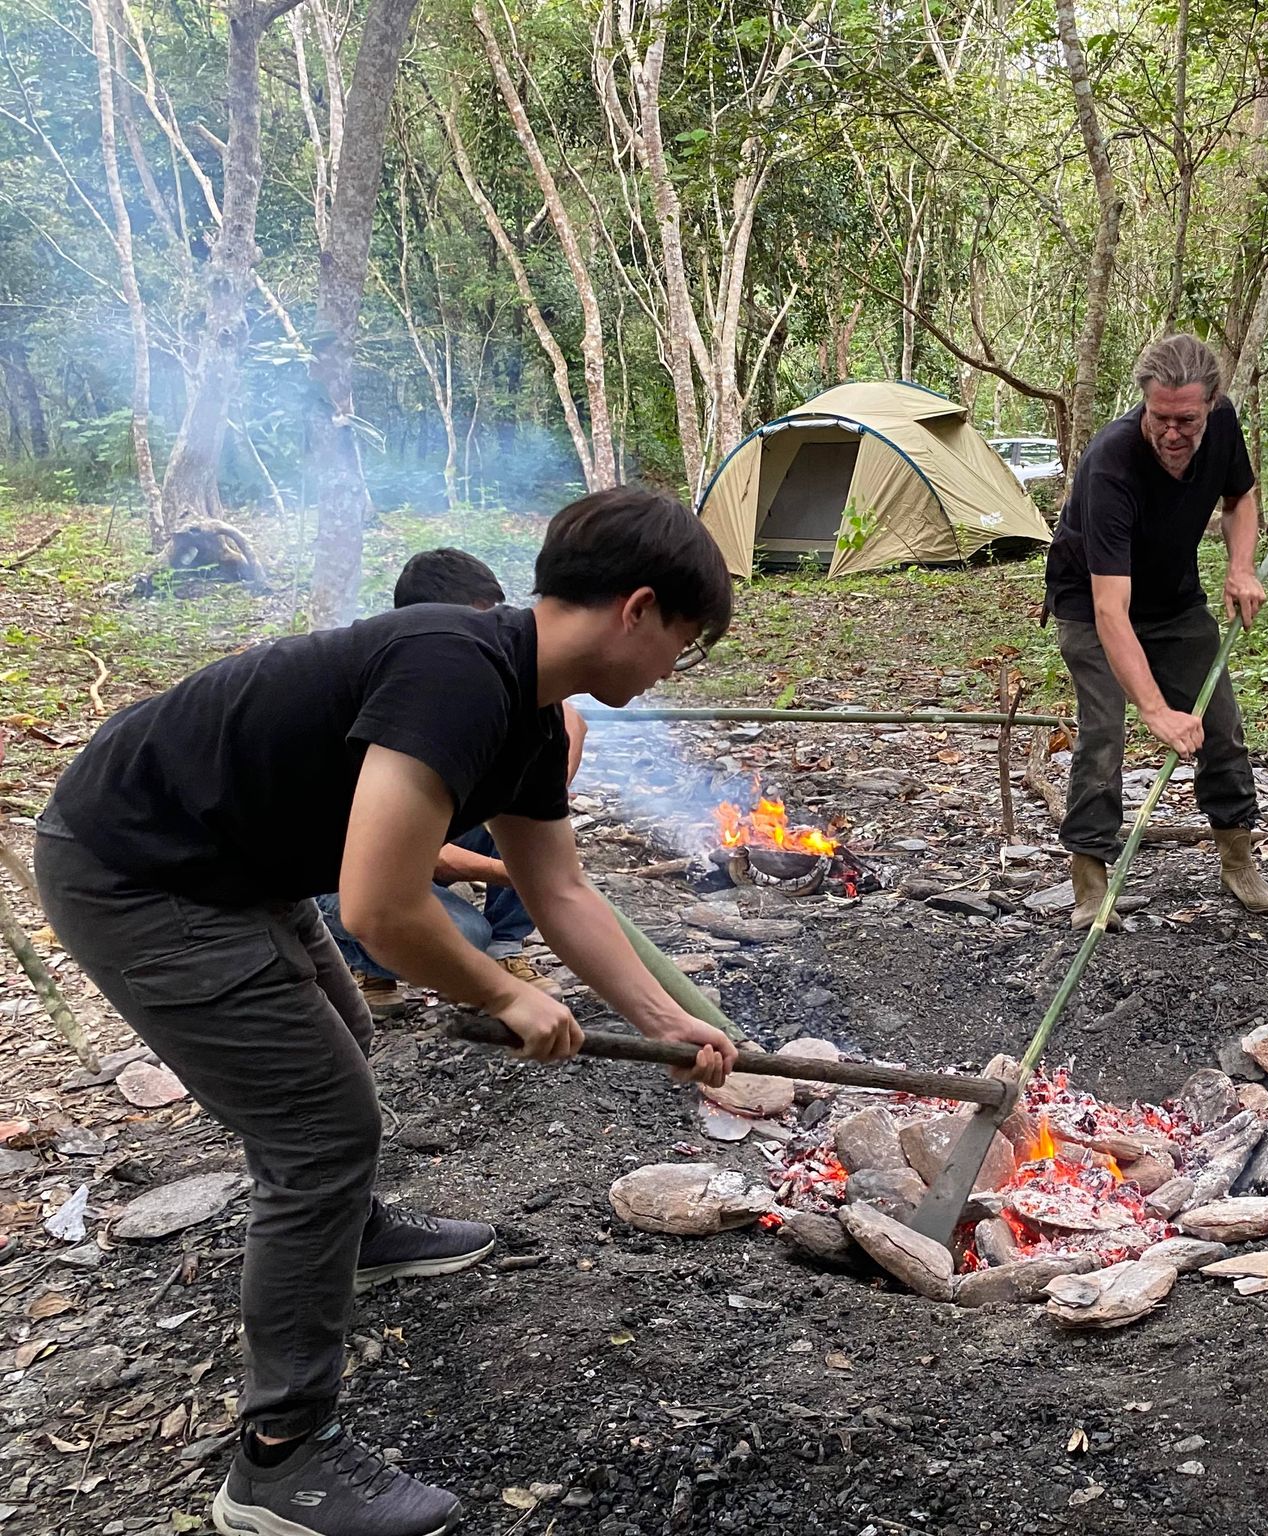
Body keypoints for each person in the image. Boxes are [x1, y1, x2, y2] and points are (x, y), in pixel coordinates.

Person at [34, 488, 740, 1536]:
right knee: (318, 1128)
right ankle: (279, 1460)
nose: (674, 667)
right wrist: (505, 991)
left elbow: (561, 891)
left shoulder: (530, 712)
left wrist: (662, 1016)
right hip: (138, 870)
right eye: (683, 640)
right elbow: (377, 906)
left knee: (343, 1046)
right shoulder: (456, 670)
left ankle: (346, 1233)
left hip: (235, 863)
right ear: (637, 608)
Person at [1042, 332, 1268, 928]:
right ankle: (1091, 883)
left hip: (1174, 599)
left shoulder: (1223, 424)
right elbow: (1109, 612)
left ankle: (1236, 857)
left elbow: (1241, 496)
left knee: (1221, 725)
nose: (1173, 433)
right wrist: (1153, 709)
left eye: (1187, 419)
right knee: (1104, 734)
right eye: (1160, 417)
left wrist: (1241, 566)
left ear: (1211, 405)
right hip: (1090, 601)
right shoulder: (1110, 463)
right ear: (1142, 404)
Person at [316, 548, 589, 1017]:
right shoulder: (424, 681)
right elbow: (432, 857)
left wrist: (542, 794)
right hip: (329, 867)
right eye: (481, 625)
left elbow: (571, 721)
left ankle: (506, 949)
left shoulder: (498, 668)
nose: (495, 640)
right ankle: (366, 959)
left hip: (411, 841)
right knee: (463, 935)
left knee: (521, 814)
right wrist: (523, 873)